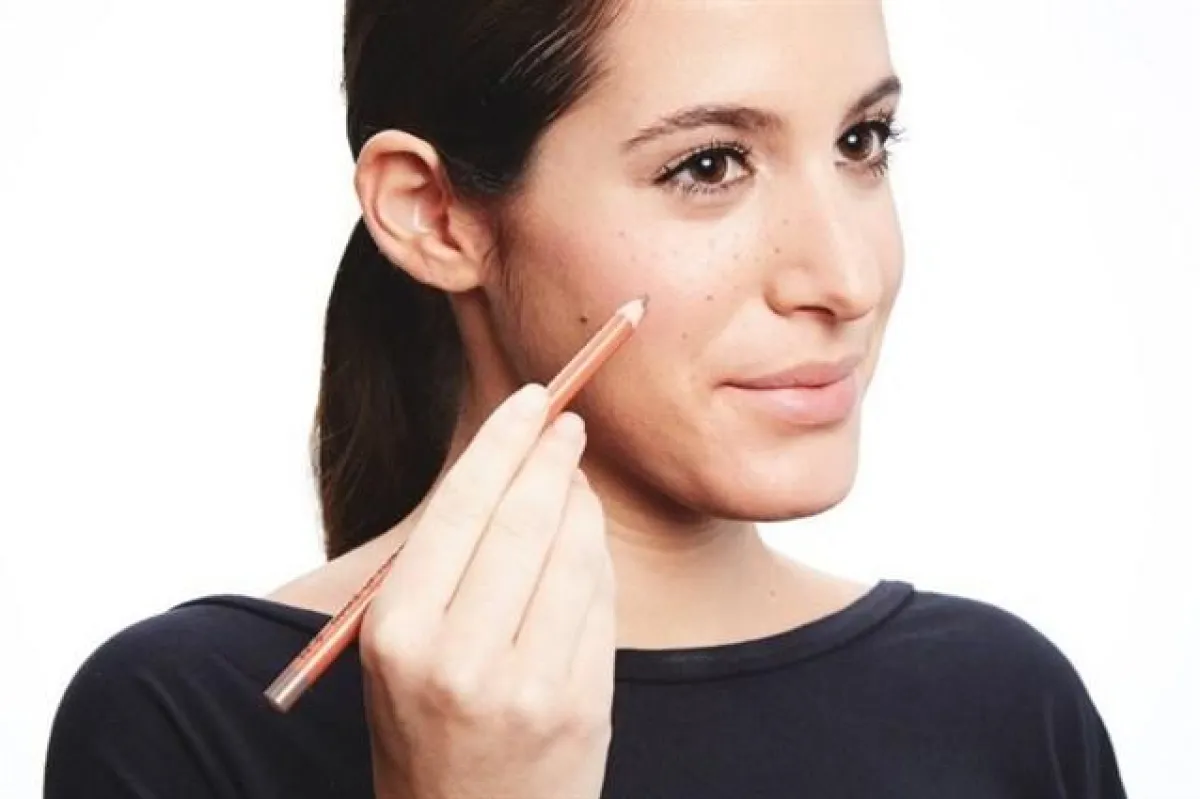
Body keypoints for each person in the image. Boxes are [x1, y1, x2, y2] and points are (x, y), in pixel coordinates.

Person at [44, 1, 1128, 797]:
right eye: (709, 166)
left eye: (862, 142)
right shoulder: (186, 721)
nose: (846, 278)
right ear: (433, 215)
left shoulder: (1004, 703)